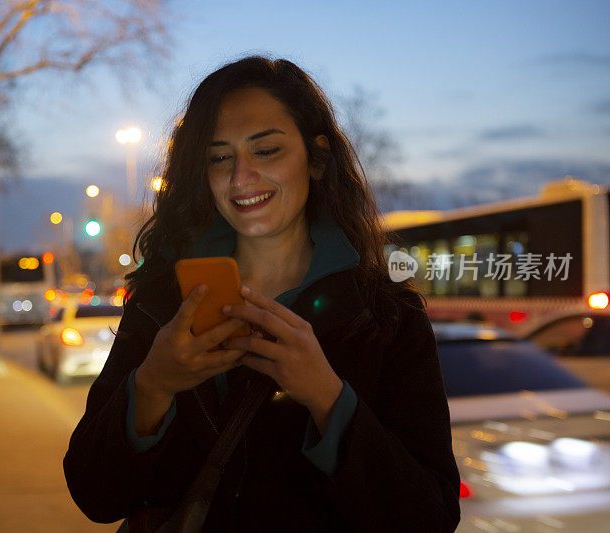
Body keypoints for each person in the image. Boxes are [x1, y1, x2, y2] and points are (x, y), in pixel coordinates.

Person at [64, 56, 461, 532]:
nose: (240, 178)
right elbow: (95, 495)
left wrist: (328, 397)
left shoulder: (387, 315)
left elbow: (431, 518)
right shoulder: (161, 302)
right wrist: (154, 384)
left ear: (316, 159)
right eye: (219, 157)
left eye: (267, 150)